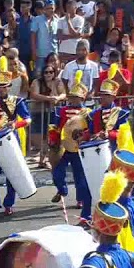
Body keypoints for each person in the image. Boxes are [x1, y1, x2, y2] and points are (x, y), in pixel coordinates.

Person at [0, 57, 32, 217]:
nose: (1, 89)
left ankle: (9, 204)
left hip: (12, 139)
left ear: (9, 86)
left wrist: (15, 125)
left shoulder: (17, 101)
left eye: (4, 86)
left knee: (12, 174)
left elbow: (27, 119)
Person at [48, 70, 92, 217]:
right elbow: (55, 127)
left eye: (77, 97)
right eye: (72, 97)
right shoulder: (61, 111)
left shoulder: (88, 112)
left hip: (79, 148)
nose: (74, 100)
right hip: (63, 146)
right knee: (57, 173)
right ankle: (62, 189)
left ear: (82, 98)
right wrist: (53, 140)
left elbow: (90, 129)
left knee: (80, 176)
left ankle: (80, 199)